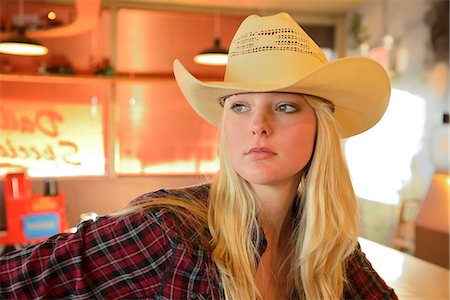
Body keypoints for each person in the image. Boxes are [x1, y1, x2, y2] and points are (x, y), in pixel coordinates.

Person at [0, 12, 397, 299]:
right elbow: (15, 280)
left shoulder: (329, 245)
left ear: (320, 130)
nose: (257, 125)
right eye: (239, 107)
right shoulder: (170, 229)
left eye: (285, 106)